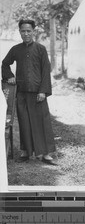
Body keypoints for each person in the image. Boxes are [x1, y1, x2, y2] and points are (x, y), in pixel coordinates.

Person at [1, 19, 56, 165]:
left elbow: (45, 71)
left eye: (29, 31)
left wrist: (43, 91)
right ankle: (25, 152)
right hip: (22, 93)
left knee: (42, 122)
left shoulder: (40, 49)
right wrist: (9, 76)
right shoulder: (16, 49)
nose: (26, 34)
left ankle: (45, 154)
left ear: (34, 31)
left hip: (38, 93)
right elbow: (5, 64)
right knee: (24, 122)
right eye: (23, 31)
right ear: (20, 32)